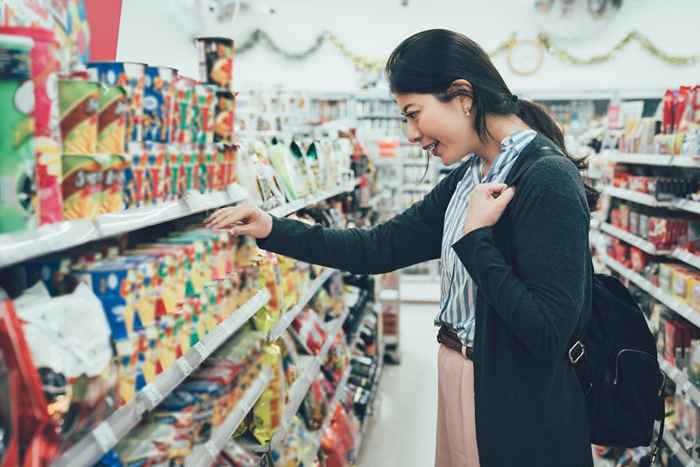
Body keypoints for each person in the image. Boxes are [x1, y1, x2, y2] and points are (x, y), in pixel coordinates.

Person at [207, 29, 596, 467]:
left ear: (463, 96)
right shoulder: (472, 174)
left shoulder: (546, 178)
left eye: (414, 113)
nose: (412, 134)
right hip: (463, 375)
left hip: (517, 402)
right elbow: (379, 247)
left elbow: (548, 333)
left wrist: (475, 240)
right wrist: (271, 228)